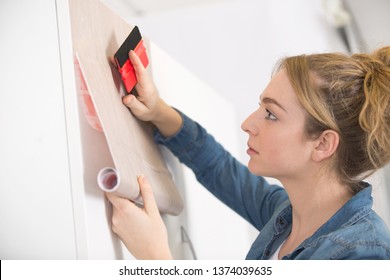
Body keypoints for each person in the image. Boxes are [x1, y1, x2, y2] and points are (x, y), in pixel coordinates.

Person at [105, 46, 390, 260]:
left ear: (323, 144)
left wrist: (155, 259)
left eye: (271, 114)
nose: (247, 124)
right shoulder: (290, 215)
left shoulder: (365, 255)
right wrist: (158, 111)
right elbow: (219, 167)